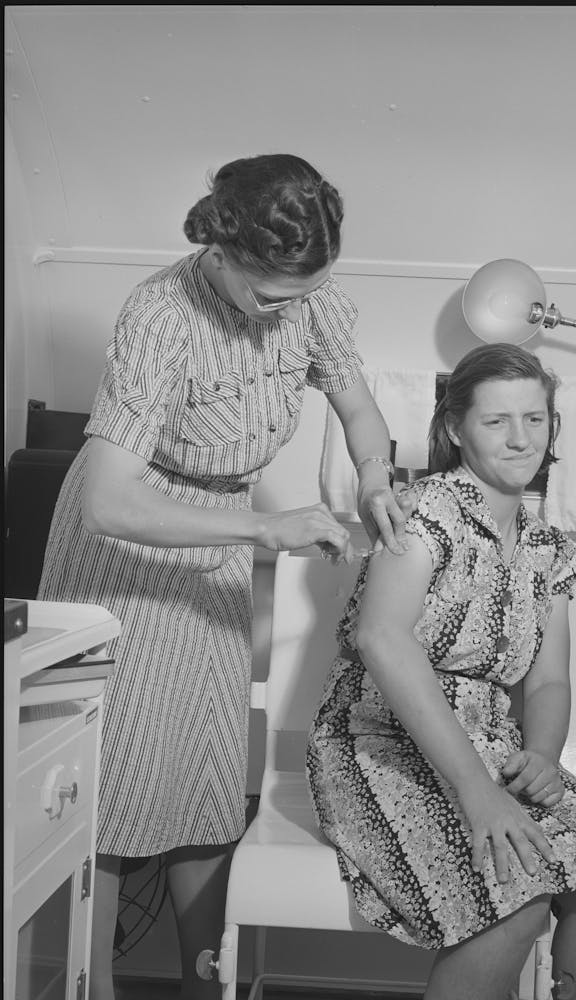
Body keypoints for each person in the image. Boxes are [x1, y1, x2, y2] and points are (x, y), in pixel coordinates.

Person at [37, 152, 409, 1000]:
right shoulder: (159, 319)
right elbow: (107, 502)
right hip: (128, 554)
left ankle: (206, 987)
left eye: (306, 291)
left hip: (216, 550)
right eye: (271, 293)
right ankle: (81, 984)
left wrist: (376, 474)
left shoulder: (308, 300)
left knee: (204, 783)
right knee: (107, 794)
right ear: (221, 250)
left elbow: (357, 406)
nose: (291, 310)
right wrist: (266, 528)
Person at [306, 343, 576, 1000]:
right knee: (515, 890)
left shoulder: (548, 549)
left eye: (536, 419)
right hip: (377, 738)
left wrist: (543, 756)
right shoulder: (421, 509)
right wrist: (476, 791)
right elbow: (381, 637)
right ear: (456, 427)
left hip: (494, 744)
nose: (521, 438)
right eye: (497, 422)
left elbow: (548, 681)